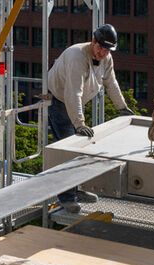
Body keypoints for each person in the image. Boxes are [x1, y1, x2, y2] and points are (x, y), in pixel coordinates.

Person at [45, 23, 134, 213]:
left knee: (82, 147)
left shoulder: (106, 59)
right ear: (93, 41)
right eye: (101, 48)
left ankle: (78, 189)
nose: (103, 53)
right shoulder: (77, 57)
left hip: (74, 99)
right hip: (59, 99)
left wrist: (122, 108)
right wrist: (79, 124)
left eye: (108, 50)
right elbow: (73, 93)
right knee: (68, 149)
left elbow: (111, 83)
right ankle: (67, 198)